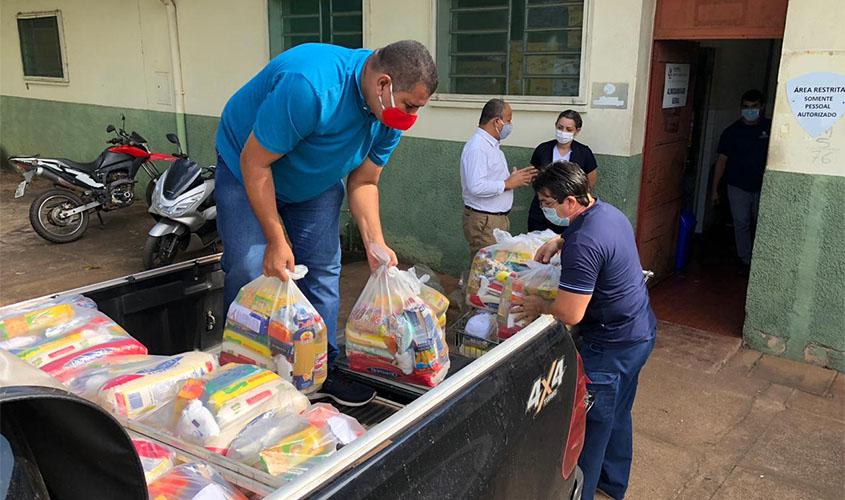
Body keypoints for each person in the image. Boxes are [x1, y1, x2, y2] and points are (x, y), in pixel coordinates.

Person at [214, 40, 437, 406]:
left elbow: (364, 182)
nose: (412, 116)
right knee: (250, 267)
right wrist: (275, 238)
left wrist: (375, 244)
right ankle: (241, 371)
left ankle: (321, 365)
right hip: (246, 168)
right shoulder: (313, 87)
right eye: (410, 105)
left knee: (323, 269)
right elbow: (255, 163)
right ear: (383, 84)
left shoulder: (390, 118)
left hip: (314, 183)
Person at [514, 161, 656, 500]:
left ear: (572, 202)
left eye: (549, 204)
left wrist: (539, 306)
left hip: (611, 347)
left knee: (589, 428)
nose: (546, 210)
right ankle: (612, 485)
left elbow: (570, 312)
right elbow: (588, 237)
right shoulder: (607, 213)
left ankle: (584, 493)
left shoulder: (585, 244)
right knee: (618, 415)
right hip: (640, 332)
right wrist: (560, 241)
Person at [460, 98, 537, 258]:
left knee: (490, 270)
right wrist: (507, 183)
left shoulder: (492, 145)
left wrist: (513, 179)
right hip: (485, 221)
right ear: (497, 121)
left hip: (494, 220)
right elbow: (476, 186)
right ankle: (467, 283)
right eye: (508, 120)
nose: (510, 125)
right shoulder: (478, 148)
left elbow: (491, 178)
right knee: (484, 269)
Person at [711, 89, 771, 273]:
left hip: (764, 186)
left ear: (762, 107)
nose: (750, 110)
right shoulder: (732, 132)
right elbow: (722, 161)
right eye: (746, 107)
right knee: (741, 223)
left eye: (754, 107)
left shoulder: (770, 129)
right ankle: (746, 260)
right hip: (737, 185)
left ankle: (762, 261)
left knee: (762, 223)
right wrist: (714, 189)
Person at [527, 110, 598, 233]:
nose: (563, 132)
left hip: (569, 212)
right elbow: (534, 176)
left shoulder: (584, 153)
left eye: (568, 129)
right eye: (560, 127)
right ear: (555, 125)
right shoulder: (542, 149)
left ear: (577, 130)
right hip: (542, 212)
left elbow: (589, 182)